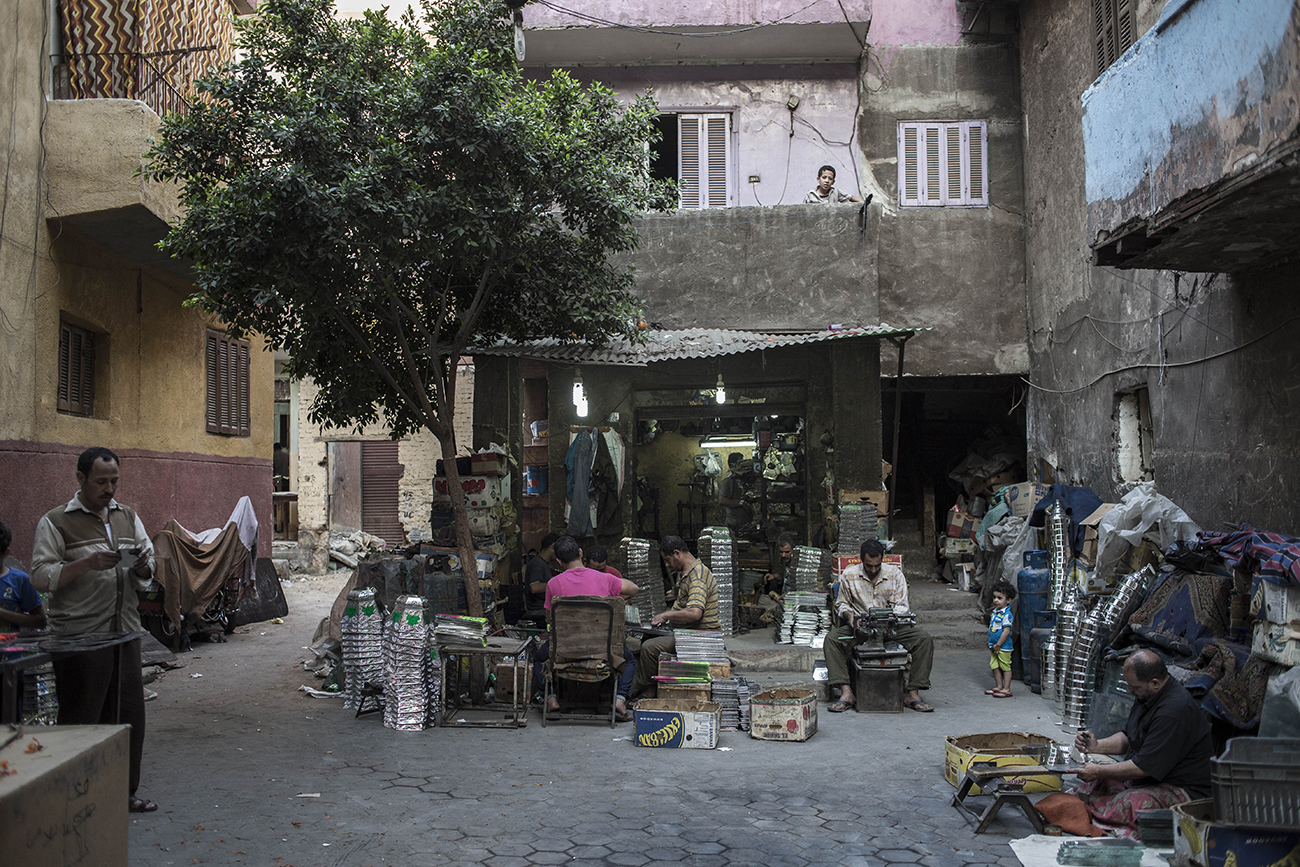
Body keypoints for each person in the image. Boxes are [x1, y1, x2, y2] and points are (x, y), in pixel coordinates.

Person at [31, 447, 158, 813]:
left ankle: (123, 793)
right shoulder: (56, 522)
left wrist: (142, 568)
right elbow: (40, 574)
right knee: (82, 718)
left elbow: (149, 574)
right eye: (101, 481)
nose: (109, 488)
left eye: (114, 481)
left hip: (125, 633)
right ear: (80, 478)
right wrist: (85, 564)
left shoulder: (127, 516)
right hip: (80, 638)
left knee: (128, 716)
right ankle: (72, 797)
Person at [1071, 649, 1213, 837]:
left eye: (1135, 687)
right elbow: (1130, 737)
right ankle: (1090, 808)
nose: (1130, 690)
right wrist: (1097, 746)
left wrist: (1097, 770)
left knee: (1132, 803)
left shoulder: (1174, 712)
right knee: (1101, 781)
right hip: (1147, 778)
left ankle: (1092, 813)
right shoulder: (1146, 694)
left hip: (1184, 790)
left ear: (1155, 683)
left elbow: (1143, 767)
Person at [535, 536, 641, 721]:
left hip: (564, 650)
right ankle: (620, 698)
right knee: (630, 660)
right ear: (581, 553)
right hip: (603, 650)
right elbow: (634, 589)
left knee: (538, 658)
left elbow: (549, 618)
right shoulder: (606, 579)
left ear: (559, 561)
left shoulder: (553, 584)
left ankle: (550, 698)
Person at [825, 539, 936, 713]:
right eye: (869, 566)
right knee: (832, 640)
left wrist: (889, 621)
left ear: (882, 559)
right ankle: (847, 693)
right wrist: (850, 616)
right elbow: (841, 604)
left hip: (893, 628)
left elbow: (902, 606)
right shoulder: (849, 574)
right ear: (862, 560)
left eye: (877, 565)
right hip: (861, 629)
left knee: (924, 640)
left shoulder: (895, 574)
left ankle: (912, 693)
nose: (873, 570)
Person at [630, 535, 720, 701]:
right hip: (688, 632)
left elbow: (695, 612)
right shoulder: (687, 572)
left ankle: (650, 693)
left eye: (667, 559)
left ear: (677, 553)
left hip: (700, 635)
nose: (667, 564)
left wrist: (666, 614)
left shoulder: (697, 576)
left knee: (649, 648)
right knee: (647, 637)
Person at [0, 522, 47, 631]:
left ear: (6, 553)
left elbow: (40, 621)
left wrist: (3, 614)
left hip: (10, 646)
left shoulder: (19, 580)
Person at [521, 532, 561, 626]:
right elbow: (534, 587)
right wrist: (557, 583)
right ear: (553, 546)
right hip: (538, 610)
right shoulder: (537, 564)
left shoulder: (544, 563)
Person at [986, 580, 1015, 698]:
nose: (996, 600)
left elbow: (1006, 631)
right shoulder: (995, 612)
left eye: (1000, 598)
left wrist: (998, 644)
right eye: (994, 597)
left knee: (1005, 667)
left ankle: (1006, 688)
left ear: (1008, 600)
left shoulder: (1007, 615)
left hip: (1003, 646)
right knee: (995, 666)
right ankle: (998, 686)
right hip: (993, 645)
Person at [717, 452, 750, 532]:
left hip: (745, 524)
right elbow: (722, 500)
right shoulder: (728, 481)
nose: (742, 466)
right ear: (732, 465)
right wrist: (741, 503)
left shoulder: (742, 480)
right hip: (734, 525)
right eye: (740, 463)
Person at [760, 533, 795, 598]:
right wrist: (774, 576)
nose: (783, 555)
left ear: (794, 550)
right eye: (781, 552)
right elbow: (785, 577)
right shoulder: (785, 562)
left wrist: (791, 596)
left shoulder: (799, 565)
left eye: (787, 552)